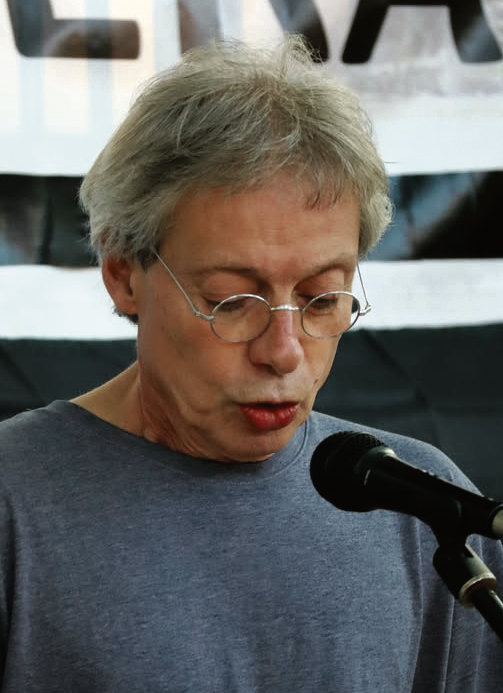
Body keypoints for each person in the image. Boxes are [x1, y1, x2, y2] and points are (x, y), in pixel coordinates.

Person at [1, 35, 502, 692]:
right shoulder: (14, 500)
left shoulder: (423, 509)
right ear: (123, 274)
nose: (284, 350)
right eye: (232, 301)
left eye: (322, 298)